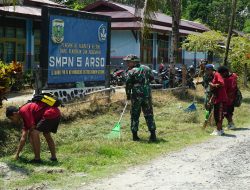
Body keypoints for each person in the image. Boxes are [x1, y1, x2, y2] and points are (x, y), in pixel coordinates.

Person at [124, 54, 157, 142]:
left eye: (128, 62)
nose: (127, 63)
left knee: (135, 115)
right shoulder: (147, 68)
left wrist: (128, 95)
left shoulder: (131, 71)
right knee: (149, 114)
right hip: (147, 95)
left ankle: (135, 136)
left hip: (136, 96)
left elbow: (128, 85)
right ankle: (153, 135)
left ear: (134, 62)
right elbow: (152, 78)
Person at [206, 64, 228, 136]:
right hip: (217, 98)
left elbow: (222, 83)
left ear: (210, 70)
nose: (206, 73)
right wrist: (210, 101)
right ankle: (220, 130)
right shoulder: (213, 76)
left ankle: (218, 130)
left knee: (218, 115)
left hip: (221, 98)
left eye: (207, 71)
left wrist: (213, 85)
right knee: (217, 115)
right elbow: (215, 92)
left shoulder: (217, 74)